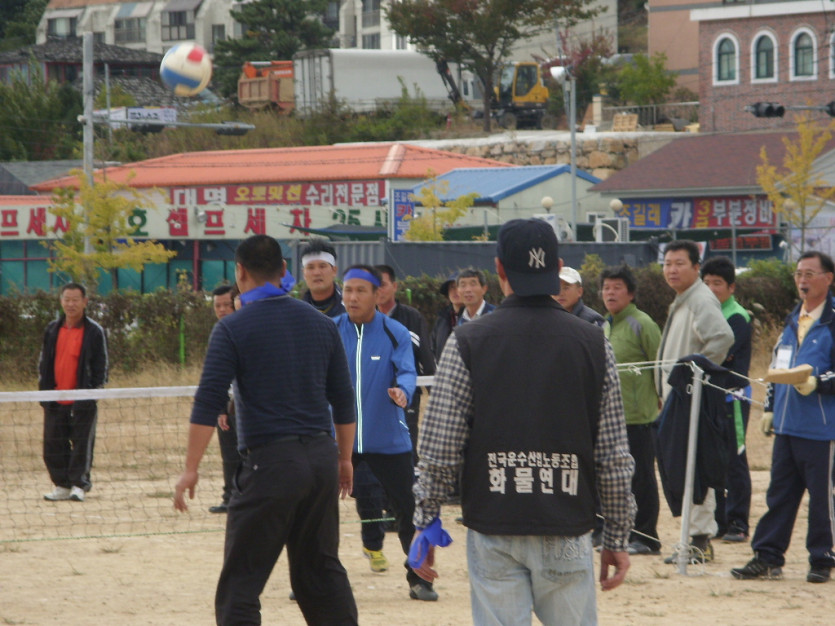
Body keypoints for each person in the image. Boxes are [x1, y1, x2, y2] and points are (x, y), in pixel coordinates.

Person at [411, 219, 636, 624]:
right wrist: (618, 534)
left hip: (494, 523)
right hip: (567, 523)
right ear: (557, 268)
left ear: (499, 269)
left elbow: (440, 447)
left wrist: (426, 519)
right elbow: (613, 454)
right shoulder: (593, 343)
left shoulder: (467, 341)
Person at [173, 235, 358, 625]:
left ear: (239, 272)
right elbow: (344, 400)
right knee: (320, 573)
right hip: (321, 458)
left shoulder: (232, 328)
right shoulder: (322, 324)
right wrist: (344, 459)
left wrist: (190, 468)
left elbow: (208, 402)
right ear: (285, 270)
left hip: (270, 464)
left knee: (241, 584)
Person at [334, 265, 438, 602]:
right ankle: (312, 578)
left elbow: (407, 371)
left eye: (360, 290)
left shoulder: (396, 331)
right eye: (348, 290)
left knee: (409, 509)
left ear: (377, 294)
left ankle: (420, 578)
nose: (352, 297)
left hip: (389, 439)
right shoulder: (330, 330)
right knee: (316, 511)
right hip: (339, 441)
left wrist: (402, 392)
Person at [732, 251, 835, 584]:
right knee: (779, 494)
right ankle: (767, 556)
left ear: (828, 278)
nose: (802, 280)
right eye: (798, 274)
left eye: (809, 274)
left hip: (822, 429)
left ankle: (822, 558)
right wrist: (770, 409)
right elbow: (776, 368)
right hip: (787, 426)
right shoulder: (792, 320)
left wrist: (819, 383)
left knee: (822, 500)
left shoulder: (832, 321)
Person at [655, 240, 734, 563]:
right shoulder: (683, 299)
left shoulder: (700, 298)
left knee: (695, 468)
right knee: (683, 467)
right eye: (667, 264)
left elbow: (723, 338)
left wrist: (694, 376)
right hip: (678, 400)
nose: (671, 270)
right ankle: (693, 539)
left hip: (692, 400)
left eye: (679, 263)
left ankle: (700, 541)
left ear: (696, 267)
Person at [601, 264, 663, 556]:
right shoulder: (605, 325)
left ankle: (647, 537)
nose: (610, 293)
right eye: (606, 288)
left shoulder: (643, 323)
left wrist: (660, 399)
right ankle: (621, 533)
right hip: (612, 417)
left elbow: (660, 366)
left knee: (642, 477)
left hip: (640, 417)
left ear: (631, 293)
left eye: (617, 288)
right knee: (615, 477)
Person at [40, 282, 108, 503]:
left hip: (82, 399)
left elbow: (101, 366)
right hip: (55, 398)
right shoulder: (52, 329)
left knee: (82, 444)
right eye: (67, 300)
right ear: (61, 301)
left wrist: (92, 393)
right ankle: (62, 485)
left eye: (75, 300)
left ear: (85, 302)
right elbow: (44, 363)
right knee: (53, 444)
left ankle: (79, 485)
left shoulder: (94, 331)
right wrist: (44, 393)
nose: (70, 304)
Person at [701, 256, 753, 543]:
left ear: (731, 287)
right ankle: (719, 521)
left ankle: (738, 522)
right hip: (710, 398)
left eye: (717, 283)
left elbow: (719, 356)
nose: (711, 288)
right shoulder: (705, 312)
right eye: (706, 282)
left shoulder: (737, 316)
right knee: (714, 460)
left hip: (733, 398)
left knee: (734, 459)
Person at [208, 284, 240, 515]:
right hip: (226, 406)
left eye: (226, 305)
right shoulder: (217, 333)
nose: (221, 310)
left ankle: (245, 497)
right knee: (228, 456)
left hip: (247, 406)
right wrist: (220, 409)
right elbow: (215, 376)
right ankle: (229, 498)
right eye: (217, 306)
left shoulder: (246, 329)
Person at [300, 238, 344, 317]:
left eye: (322, 266)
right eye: (310, 267)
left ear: (334, 271)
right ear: (304, 273)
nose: (316, 273)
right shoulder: (296, 311)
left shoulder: (349, 308)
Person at [430, 272, 462, 361]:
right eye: (452, 287)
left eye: (459, 286)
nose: (455, 291)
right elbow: (433, 347)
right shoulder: (442, 318)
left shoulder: (474, 316)